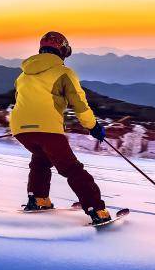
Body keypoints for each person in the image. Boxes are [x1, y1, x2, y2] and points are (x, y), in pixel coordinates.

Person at [10, 31, 115, 225]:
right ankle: (97, 210)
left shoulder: (22, 75)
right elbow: (79, 105)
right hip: (48, 130)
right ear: (63, 51)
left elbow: (21, 102)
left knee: (41, 159)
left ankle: (38, 199)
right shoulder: (64, 73)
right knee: (72, 168)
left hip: (20, 129)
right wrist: (93, 126)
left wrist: (26, 126)